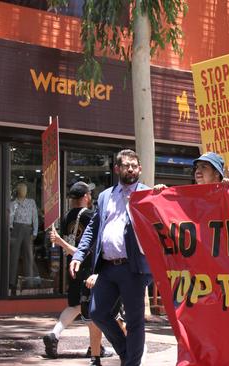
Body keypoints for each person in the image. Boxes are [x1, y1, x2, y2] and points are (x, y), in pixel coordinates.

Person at [70, 149, 151, 366]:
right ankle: (127, 353)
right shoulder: (105, 195)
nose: (131, 169)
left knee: (134, 321)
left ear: (140, 168)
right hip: (107, 267)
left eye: (134, 165)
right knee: (97, 313)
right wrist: (79, 254)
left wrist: (160, 194)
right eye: (126, 165)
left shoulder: (147, 194)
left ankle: (131, 362)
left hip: (133, 268)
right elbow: (92, 228)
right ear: (117, 169)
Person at [43, 182, 110, 365]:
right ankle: (94, 347)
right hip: (88, 268)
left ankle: (54, 334)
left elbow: (69, 246)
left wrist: (61, 243)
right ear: (86, 196)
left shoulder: (66, 218)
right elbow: (87, 246)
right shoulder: (90, 216)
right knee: (91, 309)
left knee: (76, 305)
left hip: (73, 267)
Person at [9, 182, 38, 289]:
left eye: (25, 189)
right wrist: (10, 230)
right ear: (17, 190)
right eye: (21, 189)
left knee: (29, 255)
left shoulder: (31, 202)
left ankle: (31, 281)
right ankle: (11, 281)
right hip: (16, 229)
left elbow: (35, 217)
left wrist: (35, 231)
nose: (23, 191)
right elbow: (10, 219)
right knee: (13, 256)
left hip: (27, 229)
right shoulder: (13, 204)